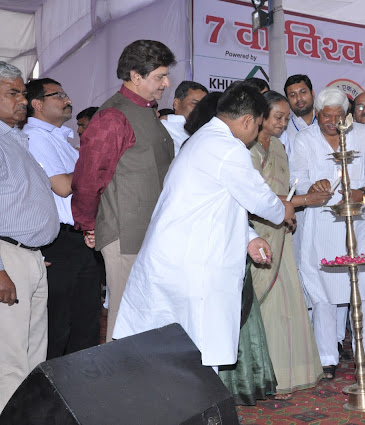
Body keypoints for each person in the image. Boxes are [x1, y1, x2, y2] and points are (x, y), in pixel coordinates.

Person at [112, 82, 295, 373]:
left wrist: (249, 237)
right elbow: (259, 199)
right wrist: (283, 209)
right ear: (248, 120)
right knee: (193, 348)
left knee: (179, 348)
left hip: (181, 257)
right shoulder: (227, 148)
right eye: (258, 125)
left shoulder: (203, 139)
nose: (256, 133)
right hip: (192, 264)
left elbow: (223, 201)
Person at [71, 39, 176, 342]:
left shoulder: (146, 111)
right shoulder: (112, 117)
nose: (166, 83)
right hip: (125, 234)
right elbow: (89, 179)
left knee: (147, 317)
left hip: (150, 231)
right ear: (136, 76)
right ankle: (115, 388)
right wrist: (89, 225)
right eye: (160, 76)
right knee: (124, 318)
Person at [290, 87, 365, 380]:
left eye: (338, 115)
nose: (332, 121)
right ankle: (327, 356)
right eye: (326, 116)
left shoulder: (363, 136)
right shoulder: (304, 139)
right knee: (323, 294)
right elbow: (297, 177)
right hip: (321, 224)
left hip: (359, 222)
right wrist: (312, 185)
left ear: (347, 116)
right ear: (317, 115)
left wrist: (364, 191)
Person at [249, 90, 326, 399]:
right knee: (265, 306)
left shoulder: (280, 146)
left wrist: (291, 209)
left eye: (286, 118)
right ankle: (264, 378)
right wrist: (303, 202)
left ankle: (291, 374)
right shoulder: (247, 149)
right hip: (256, 235)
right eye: (277, 117)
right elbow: (255, 199)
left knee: (288, 306)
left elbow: (286, 189)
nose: (282, 123)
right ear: (260, 116)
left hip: (281, 232)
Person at [24, 78, 101, 359]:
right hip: (57, 241)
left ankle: (81, 394)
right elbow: (63, 186)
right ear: (37, 104)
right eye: (58, 95)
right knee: (58, 327)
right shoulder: (35, 137)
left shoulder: (62, 139)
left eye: (67, 94)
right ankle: (51, 398)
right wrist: (93, 160)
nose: (67, 99)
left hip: (80, 238)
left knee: (85, 324)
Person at [0, 62, 59, 411]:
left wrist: (32, 252)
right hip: (9, 259)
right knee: (10, 357)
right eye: (12, 93)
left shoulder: (16, 140)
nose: (23, 100)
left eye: (23, 93)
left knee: (34, 354)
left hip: (31, 258)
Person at [162, 80, 208, 155]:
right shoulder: (164, 128)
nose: (200, 109)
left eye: (204, 106)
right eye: (195, 103)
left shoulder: (207, 131)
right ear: (176, 104)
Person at [282, 74, 315, 156]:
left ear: (313, 94)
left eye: (303, 92)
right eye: (292, 95)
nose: (299, 98)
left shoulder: (327, 123)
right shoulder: (283, 130)